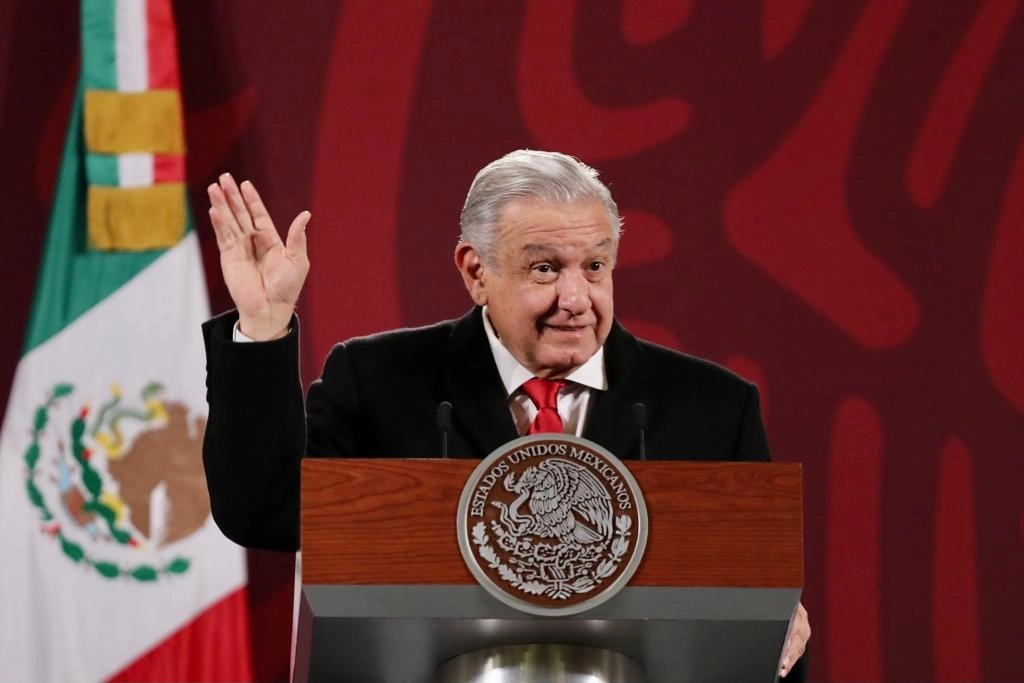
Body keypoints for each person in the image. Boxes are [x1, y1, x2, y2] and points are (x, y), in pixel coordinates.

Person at [201, 150, 810, 678]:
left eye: (595, 266)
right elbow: (266, 513)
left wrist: (779, 625)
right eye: (545, 268)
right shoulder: (378, 381)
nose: (576, 299)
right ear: (476, 272)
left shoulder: (712, 407)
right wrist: (263, 327)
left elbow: (762, 616)